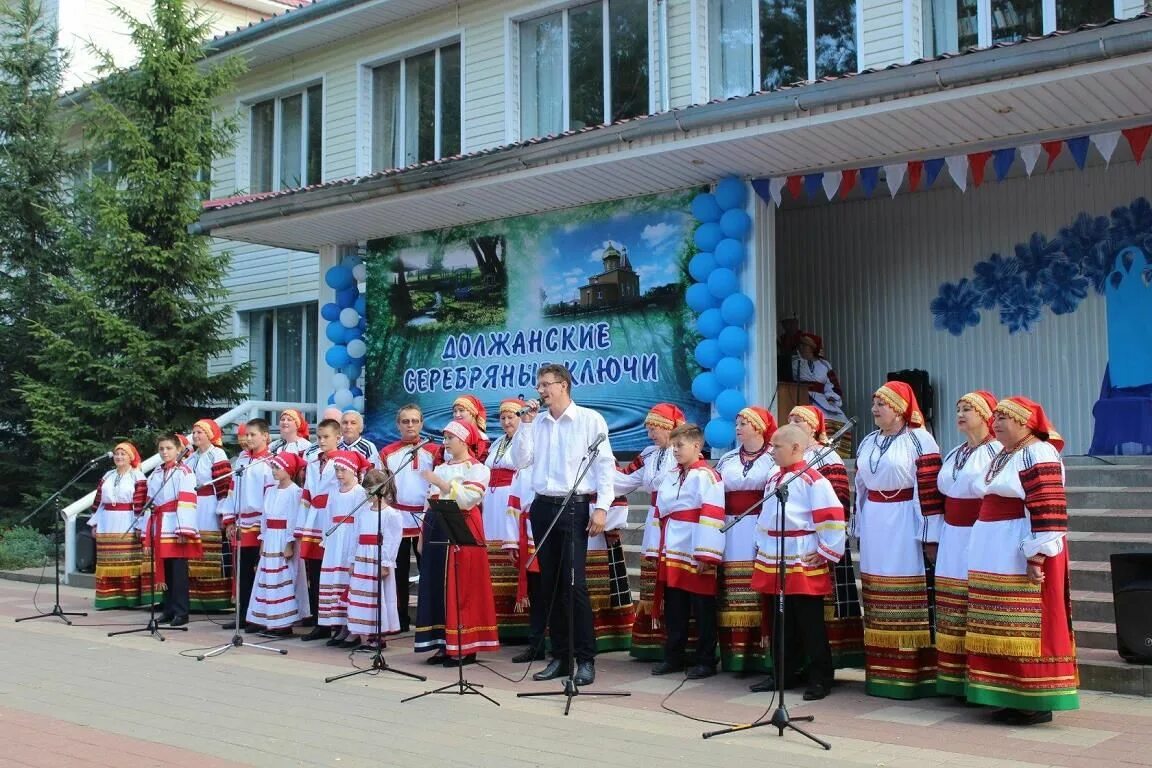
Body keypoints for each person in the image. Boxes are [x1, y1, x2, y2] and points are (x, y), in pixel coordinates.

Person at [966, 397, 1078, 724]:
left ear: (1026, 422)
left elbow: (1048, 507)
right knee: (1001, 619)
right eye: (995, 416)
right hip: (996, 547)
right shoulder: (1005, 453)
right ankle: (1010, 693)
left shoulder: (1038, 452)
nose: (996, 422)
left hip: (1020, 545)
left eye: (1004, 417)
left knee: (1027, 621)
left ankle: (1035, 699)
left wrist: (1037, 555)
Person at [511, 363, 616, 687]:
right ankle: (560, 656)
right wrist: (525, 425)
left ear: (564, 386)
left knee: (574, 585)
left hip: (574, 507)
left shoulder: (588, 420)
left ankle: (585, 659)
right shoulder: (538, 423)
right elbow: (520, 460)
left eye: (546, 384)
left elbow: (605, 466)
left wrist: (601, 508)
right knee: (551, 585)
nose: (540, 390)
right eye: (538, 384)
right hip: (543, 506)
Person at [854, 381, 944, 700]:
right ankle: (882, 673)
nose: (875, 408)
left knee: (909, 589)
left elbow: (931, 489)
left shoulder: (920, 440)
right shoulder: (867, 441)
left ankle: (915, 675)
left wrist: (930, 533)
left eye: (883, 403)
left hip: (907, 517)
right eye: (875, 402)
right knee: (878, 591)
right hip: (876, 519)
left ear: (901, 409)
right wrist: (860, 526)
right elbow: (861, 488)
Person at [749, 424, 846, 701]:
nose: (771, 452)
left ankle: (820, 677)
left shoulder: (813, 480)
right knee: (781, 618)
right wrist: (761, 542)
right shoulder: (772, 479)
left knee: (809, 619)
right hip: (776, 551)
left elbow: (832, 516)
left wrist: (827, 550)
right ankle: (783, 673)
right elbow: (766, 515)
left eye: (777, 447)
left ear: (796, 448)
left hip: (802, 554)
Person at [415, 419, 499, 666]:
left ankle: (465, 645)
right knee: (437, 585)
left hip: (462, 527)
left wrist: (441, 483)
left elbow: (467, 499)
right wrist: (422, 534)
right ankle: (442, 641)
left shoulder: (477, 469)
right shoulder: (441, 467)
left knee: (462, 586)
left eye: (450, 437)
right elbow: (428, 502)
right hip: (436, 527)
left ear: (463, 440)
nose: (446, 442)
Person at [934, 391, 1000, 698]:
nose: (960, 414)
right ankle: (953, 676)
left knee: (975, 599)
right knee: (953, 599)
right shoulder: (954, 452)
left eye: (967, 409)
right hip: (952, 534)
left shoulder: (996, 451)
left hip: (979, 532)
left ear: (987, 415)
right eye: (958, 409)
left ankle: (980, 678)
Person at [789, 404, 864, 670]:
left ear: (813, 427)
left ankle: (824, 666)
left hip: (820, 540)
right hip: (791, 543)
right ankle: (794, 665)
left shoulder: (827, 458)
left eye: (799, 420)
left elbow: (839, 502)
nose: (793, 422)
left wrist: (825, 544)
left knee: (822, 608)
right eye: (790, 419)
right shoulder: (789, 457)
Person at [649, 423, 725, 679]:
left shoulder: (708, 476)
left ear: (697, 446)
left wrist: (707, 554)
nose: (676, 451)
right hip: (673, 546)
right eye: (673, 447)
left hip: (695, 545)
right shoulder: (671, 475)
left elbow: (713, 514)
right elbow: (661, 509)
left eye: (679, 446)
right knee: (675, 605)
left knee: (702, 606)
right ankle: (674, 655)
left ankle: (705, 660)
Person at [615, 403, 682, 661]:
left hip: (676, 521)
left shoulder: (681, 454)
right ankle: (653, 640)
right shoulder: (649, 454)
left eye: (656, 428)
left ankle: (677, 645)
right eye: (649, 428)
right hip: (654, 521)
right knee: (653, 576)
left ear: (671, 428)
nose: (651, 433)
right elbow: (625, 480)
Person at [715, 405, 778, 677]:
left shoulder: (773, 459)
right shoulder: (727, 459)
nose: (738, 427)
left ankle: (764, 657)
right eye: (737, 423)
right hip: (731, 527)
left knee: (759, 588)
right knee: (733, 592)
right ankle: (737, 657)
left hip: (760, 524)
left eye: (744, 423)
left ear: (760, 427)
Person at [379, 404, 437, 633]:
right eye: (405, 421)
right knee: (398, 572)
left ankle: (427, 620)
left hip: (425, 517)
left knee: (428, 571)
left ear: (422, 423)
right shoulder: (387, 452)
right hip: (398, 518)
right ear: (398, 425)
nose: (410, 425)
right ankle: (399, 620)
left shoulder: (434, 450)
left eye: (414, 421)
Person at [219, 418, 275, 632]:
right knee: (242, 572)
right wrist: (230, 519)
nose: (249, 438)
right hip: (241, 523)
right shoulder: (242, 461)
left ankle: (258, 617)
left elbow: (269, 496)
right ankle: (242, 615)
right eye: (247, 435)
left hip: (259, 523)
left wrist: (265, 525)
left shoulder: (269, 462)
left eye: (253, 435)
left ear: (265, 436)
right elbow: (232, 491)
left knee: (259, 571)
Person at [246, 452, 309, 636]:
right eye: (273, 467)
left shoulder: (295, 492)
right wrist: (262, 539)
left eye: (277, 467)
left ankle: (283, 623)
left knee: (283, 580)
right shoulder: (270, 490)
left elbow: (293, 517)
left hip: (283, 539)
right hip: (271, 538)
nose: (273, 471)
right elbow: (265, 517)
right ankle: (268, 620)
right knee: (267, 579)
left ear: (288, 470)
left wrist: (289, 543)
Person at [346, 467, 405, 650]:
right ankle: (364, 637)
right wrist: (352, 560)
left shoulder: (391, 514)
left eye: (372, 490)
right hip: (362, 558)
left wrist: (386, 563)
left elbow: (393, 540)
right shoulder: (362, 512)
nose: (369, 494)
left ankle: (378, 636)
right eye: (367, 491)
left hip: (377, 559)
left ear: (383, 489)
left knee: (377, 597)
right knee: (361, 598)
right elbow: (355, 537)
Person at [483, 398, 528, 641]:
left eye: (511, 417)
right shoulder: (498, 443)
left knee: (510, 548)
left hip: (512, 499)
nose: (507, 421)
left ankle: (517, 622)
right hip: (492, 504)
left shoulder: (526, 441)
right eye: (503, 417)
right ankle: (496, 620)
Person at [147, 433, 202, 626]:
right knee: (165, 568)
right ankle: (168, 608)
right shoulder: (156, 472)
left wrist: (183, 530)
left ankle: (181, 611)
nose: (164, 452)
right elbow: (151, 499)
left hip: (176, 524)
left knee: (178, 571)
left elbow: (187, 501)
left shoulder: (184, 472)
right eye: (161, 449)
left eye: (169, 448)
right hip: (161, 523)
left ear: (178, 450)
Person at [88, 442, 150, 609]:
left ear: (131, 457)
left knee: (127, 559)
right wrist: (94, 523)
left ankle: (129, 598)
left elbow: (142, 504)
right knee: (108, 559)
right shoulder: (107, 475)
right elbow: (99, 502)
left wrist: (139, 526)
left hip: (127, 519)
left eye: (123, 454)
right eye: (117, 454)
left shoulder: (138, 476)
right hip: (107, 520)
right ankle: (109, 597)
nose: (119, 457)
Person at [297, 418, 343, 640]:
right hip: (314, 519)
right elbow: (306, 494)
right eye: (319, 437)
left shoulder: (345, 461)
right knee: (315, 571)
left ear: (338, 438)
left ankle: (337, 620)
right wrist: (302, 524)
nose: (322, 441)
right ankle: (319, 621)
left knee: (333, 572)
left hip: (333, 519)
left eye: (327, 437)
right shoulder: (312, 463)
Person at [320, 449, 371, 648]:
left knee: (347, 581)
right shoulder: (333, 491)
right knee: (335, 581)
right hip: (335, 542)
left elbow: (361, 520)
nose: (339, 474)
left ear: (353, 470)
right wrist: (326, 538)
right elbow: (327, 515)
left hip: (350, 538)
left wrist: (357, 547)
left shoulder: (359, 492)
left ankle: (352, 629)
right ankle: (340, 626)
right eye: (337, 470)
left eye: (343, 470)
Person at [184, 418, 233, 613]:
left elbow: (223, 485)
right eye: (194, 433)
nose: (196, 436)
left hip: (210, 503)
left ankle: (215, 599)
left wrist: (223, 511)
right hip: (194, 504)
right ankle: (194, 597)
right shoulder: (191, 457)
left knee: (211, 549)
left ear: (210, 435)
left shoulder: (217, 454)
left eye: (200, 432)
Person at [791, 333, 851, 458]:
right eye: (801, 345)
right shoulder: (796, 362)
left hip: (821, 398)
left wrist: (831, 396)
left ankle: (837, 454)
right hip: (804, 398)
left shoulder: (824, 364)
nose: (802, 347)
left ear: (812, 348)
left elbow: (831, 384)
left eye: (805, 345)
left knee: (841, 418)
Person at [452, 394, 490, 461]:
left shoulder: (481, 439)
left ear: (473, 413)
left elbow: (479, 463)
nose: (457, 415)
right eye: (455, 411)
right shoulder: (449, 435)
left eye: (461, 410)